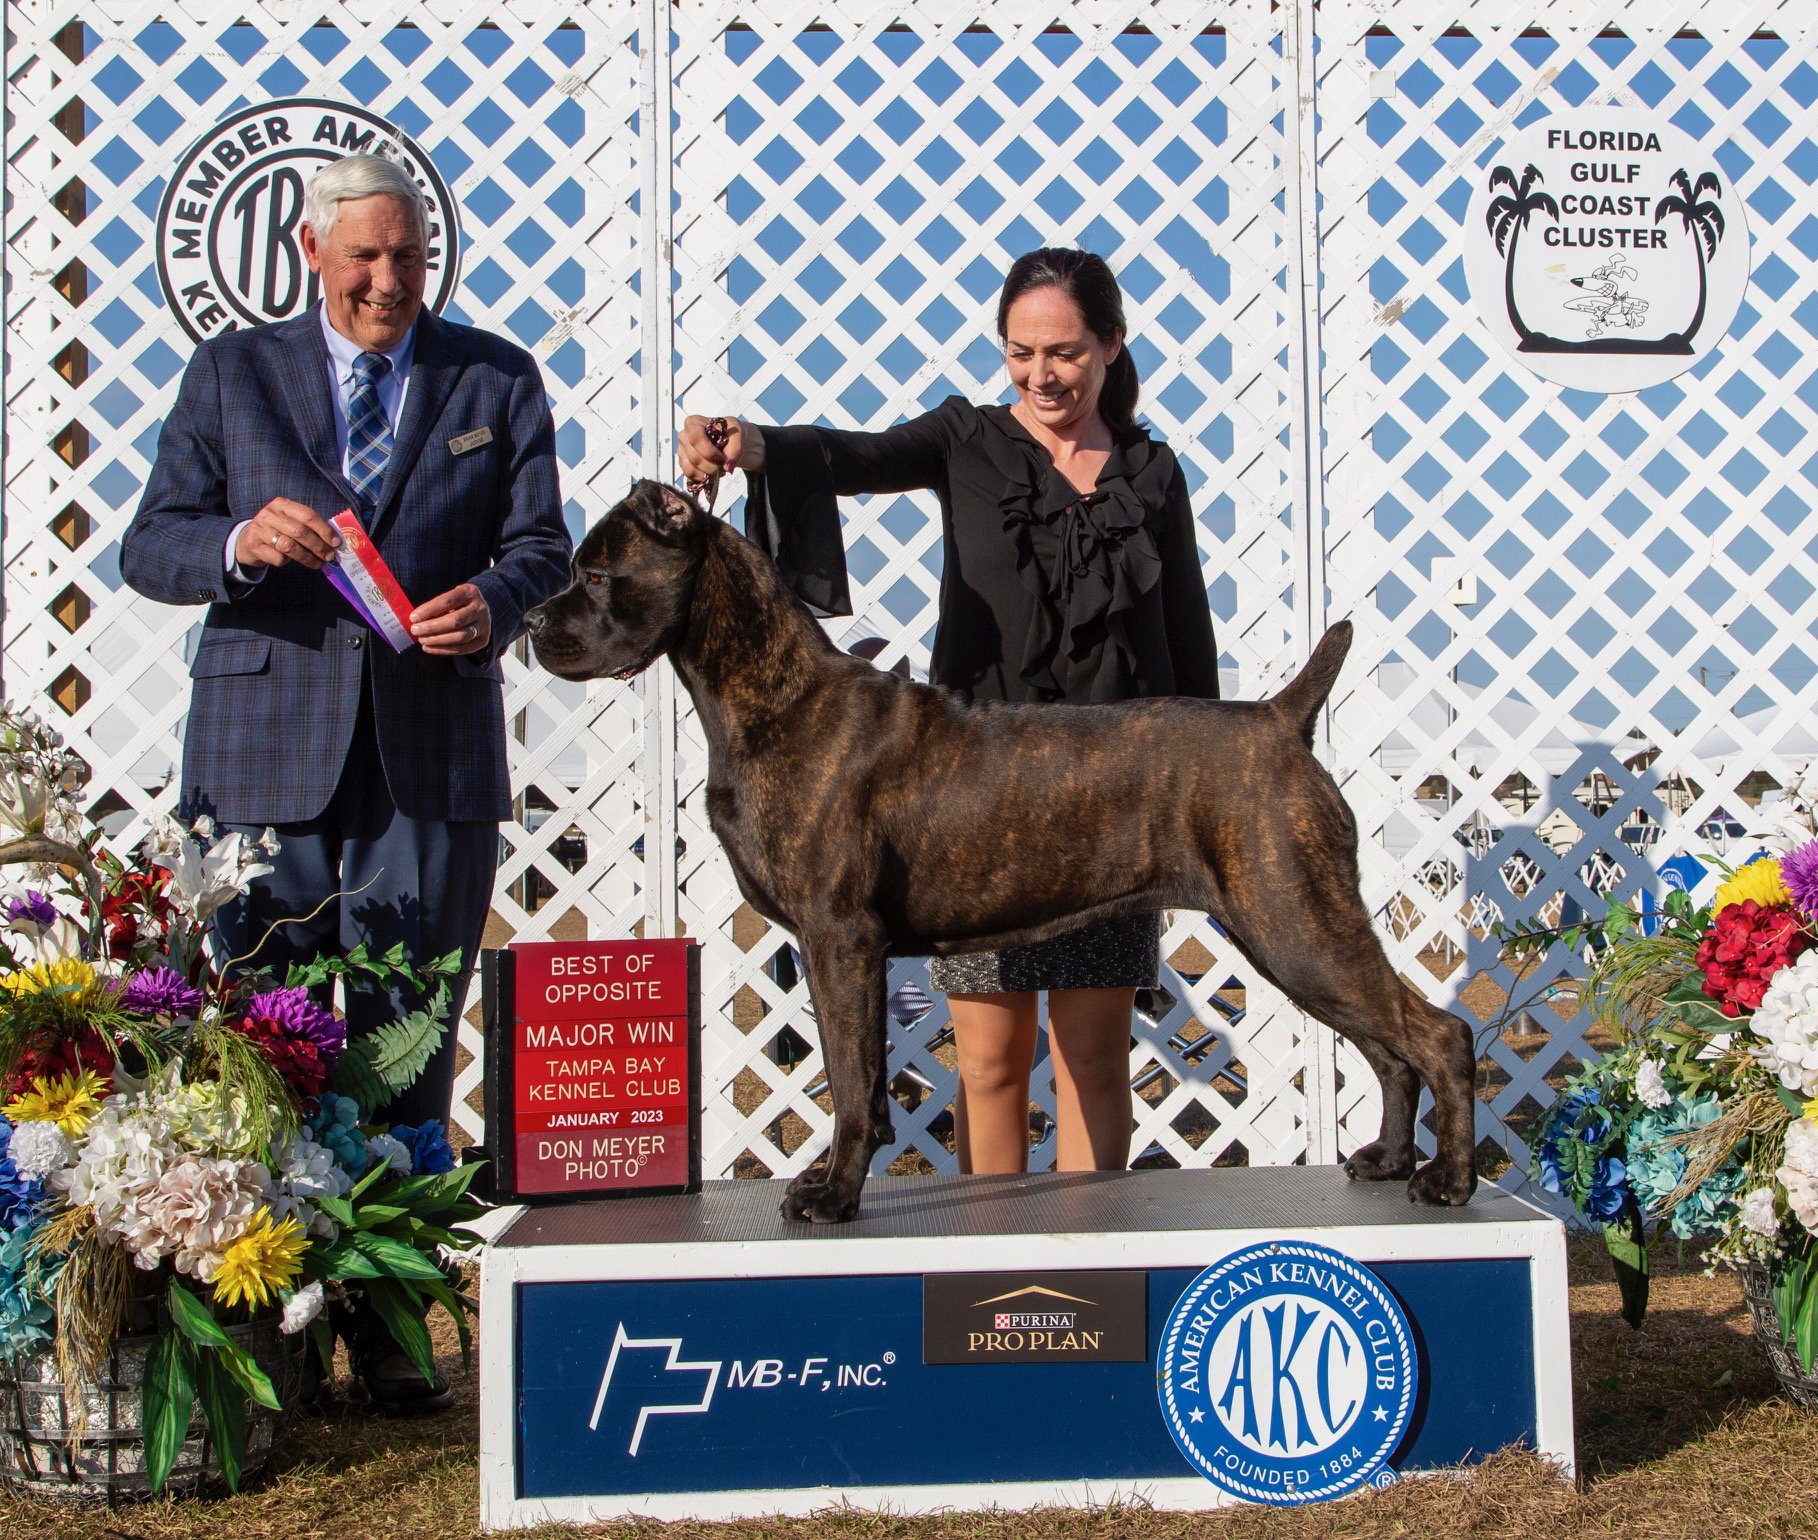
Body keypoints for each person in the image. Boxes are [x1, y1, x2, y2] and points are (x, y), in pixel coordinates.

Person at [123, 154, 573, 1412]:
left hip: (429, 762)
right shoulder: (233, 374)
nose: (389, 281)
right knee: (256, 1045)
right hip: (262, 755)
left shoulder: (494, 376)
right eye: (366, 257)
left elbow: (543, 546)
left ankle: (386, 1333)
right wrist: (234, 541)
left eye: (410, 256)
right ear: (311, 251)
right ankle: (251, 1320)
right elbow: (148, 543)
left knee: (407, 1051)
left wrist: (490, 601)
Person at [677, 247, 1217, 1176]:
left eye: (1066, 353)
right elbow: (851, 454)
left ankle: (1091, 1272)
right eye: (1021, 352)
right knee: (991, 1062)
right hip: (977, 803)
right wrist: (748, 442)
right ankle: (995, 1278)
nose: (1041, 375)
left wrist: (1207, 781)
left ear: (1112, 347)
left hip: (1113, 803)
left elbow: (1186, 631)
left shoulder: (1153, 471)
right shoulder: (965, 438)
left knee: (1092, 1061)